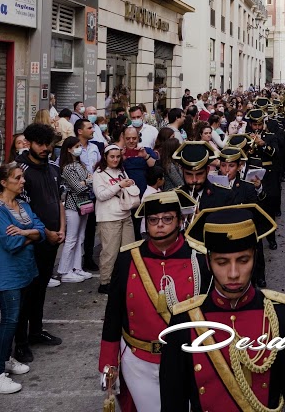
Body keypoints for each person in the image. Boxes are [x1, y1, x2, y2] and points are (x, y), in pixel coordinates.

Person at [159, 204, 285, 411]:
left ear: (255, 258)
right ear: (208, 262)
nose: (233, 274)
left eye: (243, 260)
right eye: (222, 262)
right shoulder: (184, 321)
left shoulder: (283, 315)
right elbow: (172, 401)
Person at [97, 189, 202, 412]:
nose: (160, 225)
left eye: (167, 219)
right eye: (153, 220)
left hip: (186, 360)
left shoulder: (199, 258)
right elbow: (113, 314)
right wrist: (108, 362)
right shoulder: (127, 258)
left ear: (180, 221)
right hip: (139, 361)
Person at [0, 163, 46, 395]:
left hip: (25, 270)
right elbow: (11, 242)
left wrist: (25, 232)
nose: (22, 181)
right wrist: (31, 236)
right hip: (7, 273)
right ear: (3, 182)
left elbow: (41, 230)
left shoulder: (23, 205)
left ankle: (6, 359)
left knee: (17, 319)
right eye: (17, 178)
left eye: (22, 177)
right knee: (9, 320)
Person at [11, 123, 65, 364]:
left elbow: (59, 201)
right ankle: (21, 343)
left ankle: (36, 331)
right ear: (30, 143)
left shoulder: (53, 168)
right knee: (26, 292)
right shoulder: (20, 171)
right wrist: (46, 232)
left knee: (41, 288)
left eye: (48, 144)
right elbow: (22, 210)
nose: (45, 148)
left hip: (52, 241)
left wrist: (61, 229)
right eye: (40, 144)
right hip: (31, 242)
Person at [92, 144, 142, 294]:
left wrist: (129, 184)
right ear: (105, 157)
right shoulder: (99, 173)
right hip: (108, 217)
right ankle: (105, 282)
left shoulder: (121, 170)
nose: (115, 159)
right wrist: (119, 185)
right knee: (110, 252)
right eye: (112, 157)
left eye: (118, 157)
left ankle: (124, 279)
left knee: (128, 250)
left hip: (125, 215)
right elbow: (100, 195)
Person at [56, 136, 94, 284]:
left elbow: (86, 182)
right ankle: (64, 270)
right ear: (69, 149)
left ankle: (76, 267)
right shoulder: (68, 168)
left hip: (83, 203)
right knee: (72, 238)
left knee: (80, 237)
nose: (80, 149)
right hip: (72, 205)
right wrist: (87, 181)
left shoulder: (79, 164)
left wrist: (85, 182)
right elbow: (78, 187)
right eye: (76, 146)